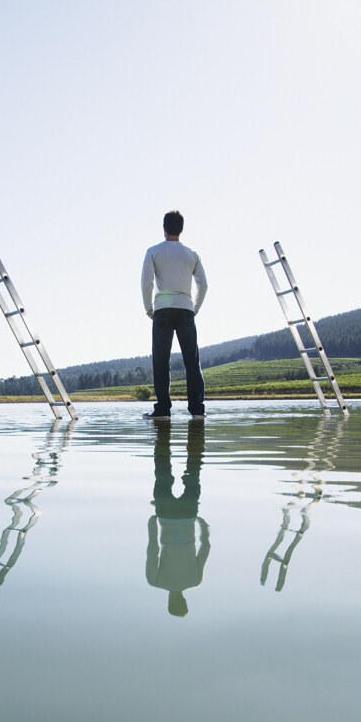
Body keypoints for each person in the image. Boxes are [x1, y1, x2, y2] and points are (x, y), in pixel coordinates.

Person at [141, 210, 208, 419]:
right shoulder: (192, 254)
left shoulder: (153, 252)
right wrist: (194, 308)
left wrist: (149, 309)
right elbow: (203, 285)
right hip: (186, 308)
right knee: (192, 361)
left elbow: (146, 283)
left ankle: (163, 409)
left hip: (162, 309)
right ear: (182, 228)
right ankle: (197, 409)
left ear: (164, 228)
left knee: (161, 360)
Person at [146, 420, 211, 616]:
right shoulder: (155, 582)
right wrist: (152, 521)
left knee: (194, 470)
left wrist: (201, 522)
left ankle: (195, 437)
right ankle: (163, 437)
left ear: (184, 601)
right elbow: (152, 549)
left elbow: (205, 547)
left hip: (189, 516)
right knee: (162, 470)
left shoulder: (196, 580)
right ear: (169, 602)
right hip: (165, 516)